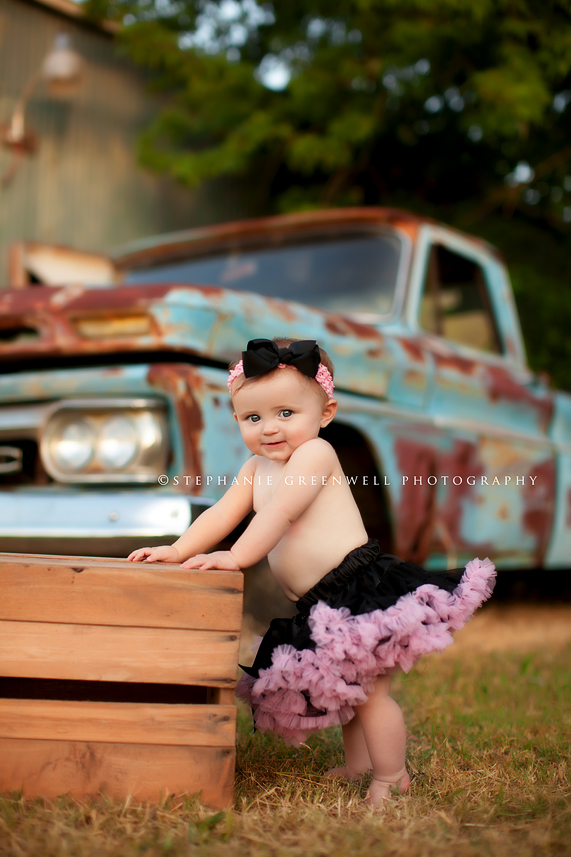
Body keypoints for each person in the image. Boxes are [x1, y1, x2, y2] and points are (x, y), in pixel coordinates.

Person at [128, 337, 496, 806]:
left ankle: (392, 776)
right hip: (318, 601)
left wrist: (237, 558)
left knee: (372, 695)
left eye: (286, 413)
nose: (269, 429)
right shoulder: (255, 468)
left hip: (360, 587)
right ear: (237, 419)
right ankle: (360, 765)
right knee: (347, 691)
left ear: (325, 413)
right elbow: (221, 515)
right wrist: (178, 549)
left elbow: (279, 514)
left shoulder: (315, 456)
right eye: (253, 417)